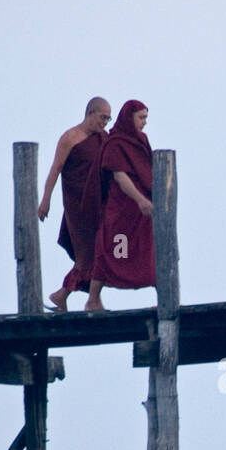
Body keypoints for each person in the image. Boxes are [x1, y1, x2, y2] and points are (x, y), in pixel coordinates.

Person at [38, 97, 111, 311]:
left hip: (99, 204)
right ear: (90, 113)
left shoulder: (104, 138)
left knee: (100, 251)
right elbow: (56, 168)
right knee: (89, 255)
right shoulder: (71, 137)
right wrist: (45, 199)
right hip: (77, 206)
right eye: (102, 117)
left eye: (108, 119)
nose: (105, 123)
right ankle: (89, 300)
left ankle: (63, 295)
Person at [86, 100, 155, 311]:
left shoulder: (141, 140)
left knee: (152, 251)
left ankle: (167, 295)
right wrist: (140, 200)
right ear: (129, 117)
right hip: (122, 209)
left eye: (146, 118)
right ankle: (93, 300)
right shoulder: (115, 143)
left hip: (142, 213)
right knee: (110, 251)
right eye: (140, 118)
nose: (144, 123)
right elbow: (119, 175)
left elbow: (148, 170)